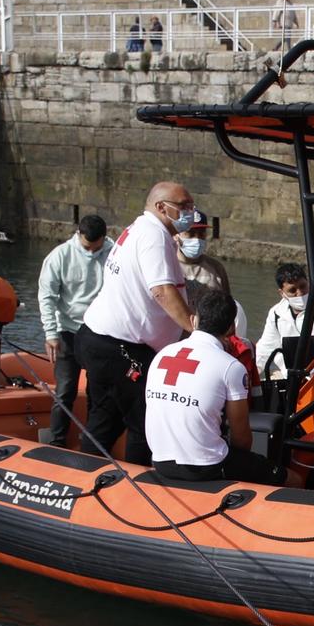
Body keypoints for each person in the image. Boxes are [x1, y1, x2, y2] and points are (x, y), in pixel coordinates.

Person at [75, 181, 204, 464]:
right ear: (161, 207)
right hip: (122, 346)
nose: (191, 213)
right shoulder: (153, 235)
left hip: (105, 340)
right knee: (145, 422)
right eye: (184, 207)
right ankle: (140, 483)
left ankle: (86, 469)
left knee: (105, 417)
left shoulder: (140, 230)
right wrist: (197, 333)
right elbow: (161, 290)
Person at [145, 289, 275, 484]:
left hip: (160, 460)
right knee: (292, 479)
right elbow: (241, 438)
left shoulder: (162, 354)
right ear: (231, 328)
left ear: (193, 320)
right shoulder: (231, 366)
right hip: (206, 466)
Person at [36, 214, 111, 447]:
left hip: (99, 331)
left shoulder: (114, 253)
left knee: (97, 391)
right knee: (65, 390)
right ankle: (57, 439)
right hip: (68, 330)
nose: (91, 253)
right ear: (78, 235)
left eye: (97, 248)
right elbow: (47, 296)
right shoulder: (60, 256)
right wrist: (51, 333)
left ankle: (91, 441)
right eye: (88, 247)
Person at [255, 261, 314, 382]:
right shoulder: (276, 313)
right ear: (282, 293)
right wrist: (253, 372)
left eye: (303, 286)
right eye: (292, 290)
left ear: (309, 282)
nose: (300, 293)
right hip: (289, 377)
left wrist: (309, 376)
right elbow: (265, 348)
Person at [174, 209, 242, 338]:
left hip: (210, 339)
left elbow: (227, 307)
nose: (197, 239)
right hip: (175, 339)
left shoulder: (216, 268)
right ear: (177, 235)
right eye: (191, 233)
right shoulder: (168, 266)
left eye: (201, 234)